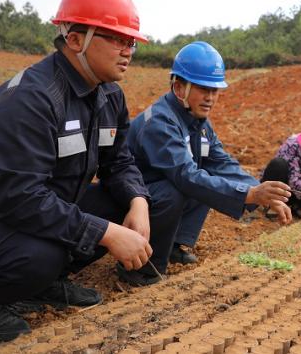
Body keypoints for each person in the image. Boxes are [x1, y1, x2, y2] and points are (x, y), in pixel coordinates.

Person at [0, 0, 153, 343]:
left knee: (120, 202)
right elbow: (19, 198)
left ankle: (42, 286)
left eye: (131, 41)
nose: (128, 50)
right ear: (75, 40)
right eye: (116, 38)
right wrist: (106, 233)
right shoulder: (30, 99)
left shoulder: (109, 95)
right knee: (40, 255)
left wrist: (138, 200)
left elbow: (119, 160)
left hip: (36, 205)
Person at [125, 41, 292, 286]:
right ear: (179, 87)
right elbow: (185, 175)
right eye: (204, 89)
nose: (211, 98)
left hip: (159, 192)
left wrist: (260, 191)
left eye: (214, 90)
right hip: (132, 199)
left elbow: (222, 162)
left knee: (207, 178)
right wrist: (249, 194)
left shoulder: (198, 120)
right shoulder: (160, 121)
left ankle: (172, 244)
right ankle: (139, 267)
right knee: (184, 186)